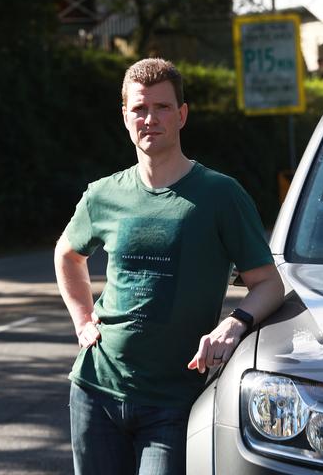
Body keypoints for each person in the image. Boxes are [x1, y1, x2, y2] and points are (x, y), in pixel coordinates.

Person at [54, 58, 285, 475]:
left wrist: (233, 325)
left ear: (182, 115)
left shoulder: (220, 195)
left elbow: (269, 283)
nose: (150, 119)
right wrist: (83, 318)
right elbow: (68, 254)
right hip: (96, 391)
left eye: (162, 108)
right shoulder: (103, 194)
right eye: (140, 109)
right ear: (125, 116)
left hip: (175, 402)